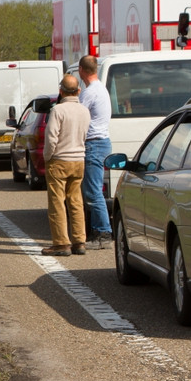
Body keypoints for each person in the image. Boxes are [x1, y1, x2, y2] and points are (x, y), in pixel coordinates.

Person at [41, 75, 91, 256]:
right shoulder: (85, 110)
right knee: (76, 202)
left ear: (61, 91)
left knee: (57, 202)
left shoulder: (58, 110)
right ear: (78, 91)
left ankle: (61, 243)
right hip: (78, 160)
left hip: (59, 160)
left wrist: (47, 157)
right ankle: (79, 241)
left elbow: (51, 136)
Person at [77, 55, 113, 249]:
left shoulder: (89, 93)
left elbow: (78, 116)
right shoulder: (101, 89)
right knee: (94, 189)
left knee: (93, 191)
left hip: (94, 144)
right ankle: (99, 231)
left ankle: (103, 233)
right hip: (101, 142)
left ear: (82, 70)